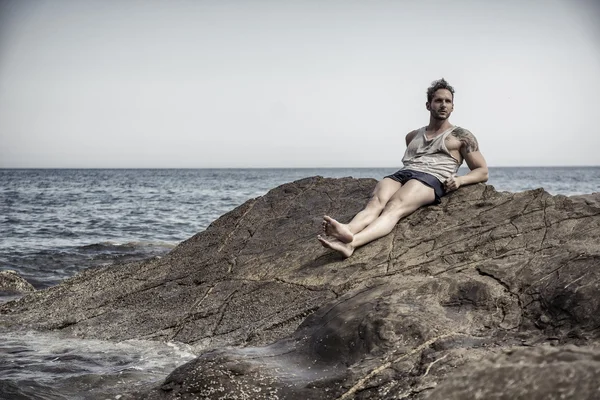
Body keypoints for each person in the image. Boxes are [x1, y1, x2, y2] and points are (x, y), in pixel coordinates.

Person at [318, 78, 489, 258]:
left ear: (453, 107)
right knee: (376, 202)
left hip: (432, 177)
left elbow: (482, 171)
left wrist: (460, 180)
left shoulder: (462, 136)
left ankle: (351, 244)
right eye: (438, 100)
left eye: (448, 101)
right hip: (403, 173)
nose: (443, 105)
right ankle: (348, 229)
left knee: (394, 207)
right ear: (428, 105)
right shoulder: (413, 135)